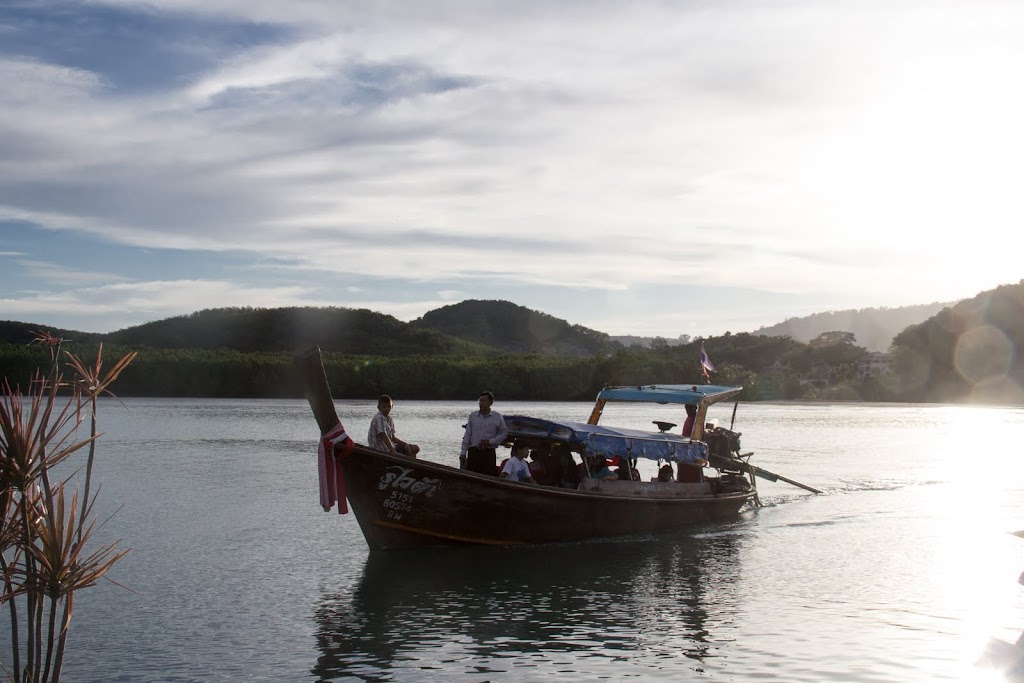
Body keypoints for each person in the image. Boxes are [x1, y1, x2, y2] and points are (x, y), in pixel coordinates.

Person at [460, 391, 508, 476]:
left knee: (488, 476)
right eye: (480, 401)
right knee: (471, 476)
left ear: (491, 402)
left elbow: (504, 433)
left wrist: (490, 441)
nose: (481, 403)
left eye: (484, 401)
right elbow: (467, 435)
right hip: (474, 451)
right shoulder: (473, 416)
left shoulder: (497, 417)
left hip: (488, 452)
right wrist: (463, 453)